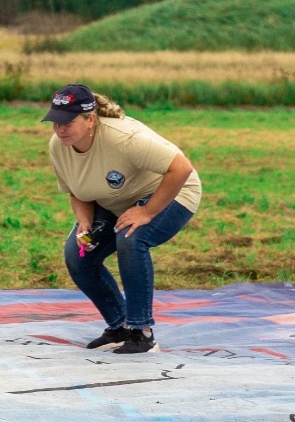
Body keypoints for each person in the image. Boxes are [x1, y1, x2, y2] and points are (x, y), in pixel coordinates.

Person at [42, 83, 201, 355]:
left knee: (130, 238)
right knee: (77, 254)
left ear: (90, 119)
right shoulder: (59, 146)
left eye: (67, 121)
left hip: (172, 192)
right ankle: (121, 327)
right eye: (55, 121)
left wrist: (148, 211)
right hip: (113, 200)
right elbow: (76, 189)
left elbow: (181, 168)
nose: (60, 128)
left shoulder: (123, 138)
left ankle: (142, 332)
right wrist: (83, 222)